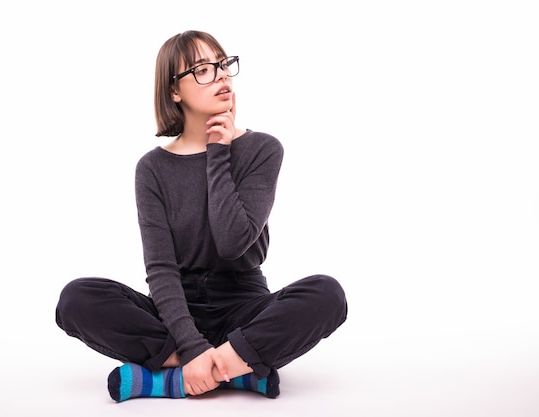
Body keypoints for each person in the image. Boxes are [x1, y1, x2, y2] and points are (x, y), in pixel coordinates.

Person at [55, 30, 347, 402]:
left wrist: (219, 152)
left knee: (327, 294)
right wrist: (192, 345)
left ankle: (171, 378)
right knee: (77, 299)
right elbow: (161, 269)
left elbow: (232, 243)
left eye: (223, 65)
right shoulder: (152, 168)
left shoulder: (262, 150)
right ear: (174, 90)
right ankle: (235, 368)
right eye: (203, 69)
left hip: (244, 304)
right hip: (173, 312)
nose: (222, 75)